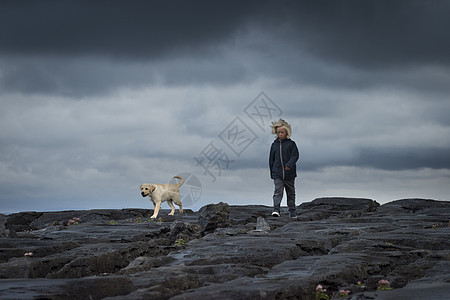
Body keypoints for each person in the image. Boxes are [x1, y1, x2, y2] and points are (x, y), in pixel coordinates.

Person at [269, 119, 299, 218]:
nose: (280, 134)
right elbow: (271, 160)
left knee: (290, 193)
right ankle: (276, 210)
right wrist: (272, 173)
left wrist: (289, 165)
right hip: (277, 174)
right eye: (278, 132)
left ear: (287, 132)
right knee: (278, 192)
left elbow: (295, 156)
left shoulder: (291, 144)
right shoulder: (274, 145)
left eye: (282, 132)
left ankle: (292, 211)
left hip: (289, 174)